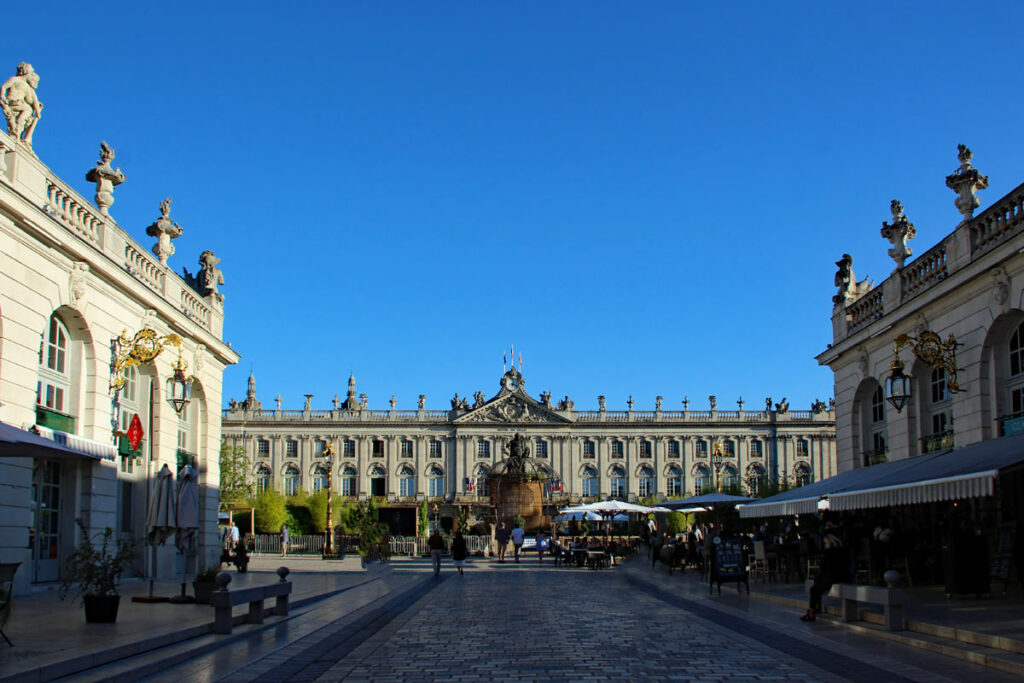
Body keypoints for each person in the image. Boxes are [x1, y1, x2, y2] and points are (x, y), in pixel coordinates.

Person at [802, 519, 849, 621]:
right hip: (839, 575)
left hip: (833, 576)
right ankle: (814, 609)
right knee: (816, 585)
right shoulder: (840, 549)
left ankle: (811, 611)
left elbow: (825, 566)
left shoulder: (831, 552)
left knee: (815, 588)